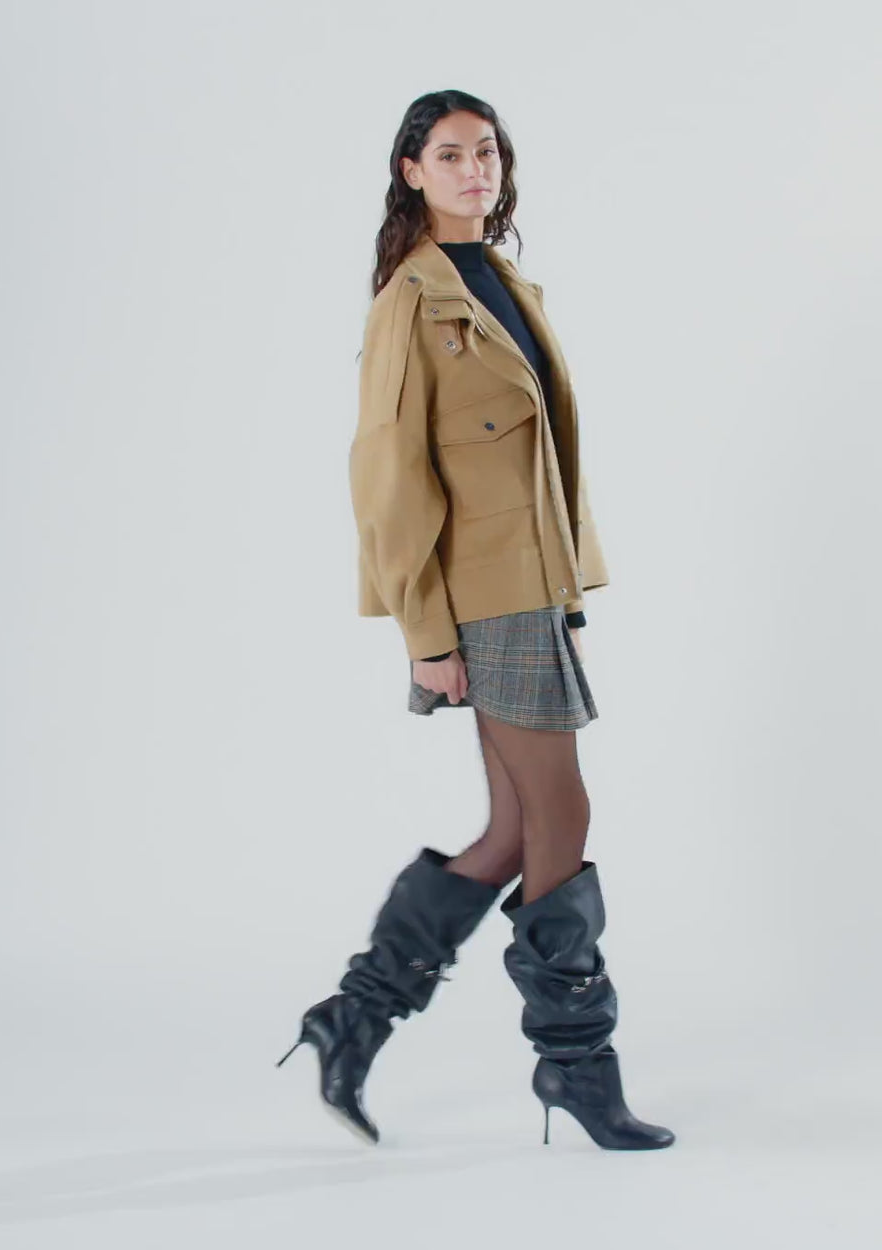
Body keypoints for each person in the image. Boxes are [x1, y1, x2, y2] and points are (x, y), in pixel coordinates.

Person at [276, 89, 675, 1153]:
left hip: (532, 589)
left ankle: (355, 1016)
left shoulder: (499, 280)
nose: (474, 170)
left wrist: (569, 593)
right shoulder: (410, 299)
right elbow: (388, 478)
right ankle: (576, 1063)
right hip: (478, 595)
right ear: (410, 170)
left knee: (513, 831)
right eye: (449, 154)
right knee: (562, 815)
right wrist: (425, 634)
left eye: (486, 151)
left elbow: (544, 459)